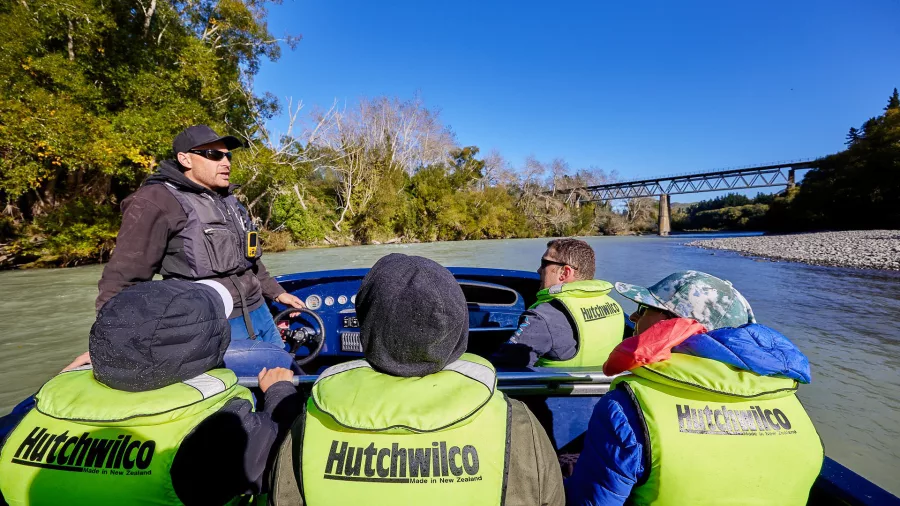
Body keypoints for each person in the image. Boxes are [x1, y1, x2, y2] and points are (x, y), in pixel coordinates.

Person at [267, 254, 565, 505]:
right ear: (459, 328)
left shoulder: (307, 424)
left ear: (366, 328)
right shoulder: (518, 422)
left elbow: (282, 496)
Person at [0, 279, 301, 505]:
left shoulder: (36, 406)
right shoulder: (221, 428)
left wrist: (65, 378)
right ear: (214, 340)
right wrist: (279, 392)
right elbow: (283, 461)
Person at [565, 271, 824, 506]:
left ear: (674, 326)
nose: (633, 317)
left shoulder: (626, 407)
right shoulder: (792, 403)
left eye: (644, 308)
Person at [96, 124, 304, 344]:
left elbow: (251, 263)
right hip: (208, 328)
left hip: (260, 314)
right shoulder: (155, 201)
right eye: (213, 155)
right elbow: (122, 281)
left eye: (228, 155)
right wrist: (109, 340)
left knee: (283, 371)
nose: (226, 162)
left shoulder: (231, 202)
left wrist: (277, 293)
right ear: (185, 159)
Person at [493, 238, 624, 368]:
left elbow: (503, 365)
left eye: (544, 263)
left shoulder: (545, 316)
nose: (539, 270)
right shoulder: (613, 305)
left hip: (558, 388)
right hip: (603, 386)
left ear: (564, 272)